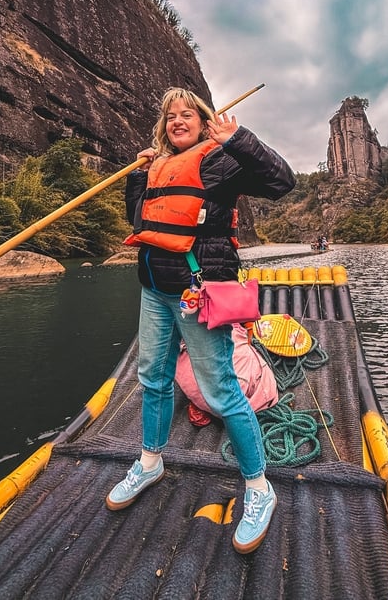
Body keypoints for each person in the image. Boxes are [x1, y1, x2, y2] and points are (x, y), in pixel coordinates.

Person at [105, 87, 295, 554]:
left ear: (203, 119)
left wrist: (239, 140)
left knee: (221, 390)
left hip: (199, 292)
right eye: (170, 116)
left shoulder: (220, 160)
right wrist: (138, 175)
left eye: (187, 114)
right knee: (152, 378)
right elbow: (140, 220)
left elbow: (282, 182)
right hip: (153, 289)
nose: (177, 121)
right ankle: (150, 461)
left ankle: (258, 487)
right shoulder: (156, 166)